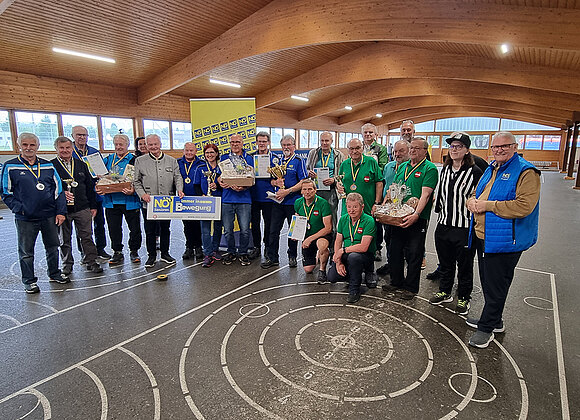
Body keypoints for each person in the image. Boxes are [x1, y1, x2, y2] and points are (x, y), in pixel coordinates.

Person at [465, 131, 540, 348]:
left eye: (504, 146)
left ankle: (486, 328)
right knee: (489, 282)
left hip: (505, 239)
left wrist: (487, 206)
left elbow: (524, 206)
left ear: (515, 147)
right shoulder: (492, 168)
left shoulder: (526, 172)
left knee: (496, 285)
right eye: (496, 147)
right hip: (484, 235)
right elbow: (478, 192)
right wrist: (471, 201)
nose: (499, 150)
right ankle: (494, 320)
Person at [1, 133, 69, 293]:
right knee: (26, 252)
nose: (28, 148)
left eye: (32, 145)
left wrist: (60, 212)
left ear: (37, 146)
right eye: (25, 145)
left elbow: (59, 190)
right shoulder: (10, 166)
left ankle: (54, 273)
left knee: (53, 247)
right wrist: (20, 209)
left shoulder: (47, 166)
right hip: (25, 218)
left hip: (49, 215)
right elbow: (5, 192)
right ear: (19, 146)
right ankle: (29, 281)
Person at [429, 133, 482, 315]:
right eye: (452, 146)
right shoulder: (445, 169)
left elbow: (479, 197)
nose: (454, 149)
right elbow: (441, 194)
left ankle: (464, 297)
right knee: (445, 262)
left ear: (467, 150)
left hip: (464, 227)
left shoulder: (475, 172)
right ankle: (445, 291)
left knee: (465, 265)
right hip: (444, 224)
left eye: (459, 146)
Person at [382, 137, 438, 300]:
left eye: (417, 148)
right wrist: (384, 208)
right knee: (395, 250)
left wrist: (416, 215)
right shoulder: (403, 166)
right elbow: (393, 189)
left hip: (416, 218)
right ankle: (396, 281)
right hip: (398, 216)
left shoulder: (430, 168)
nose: (413, 150)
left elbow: (426, 195)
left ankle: (411, 287)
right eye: (412, 147)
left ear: (425, 151)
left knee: (414, 253)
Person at [52, 136, 103, 275]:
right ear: (56, 149)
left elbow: (89, 186)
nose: (65, 150)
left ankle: (91, 261)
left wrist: (93, 206)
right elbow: (49, 188)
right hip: (62, 210)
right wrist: (61, 194)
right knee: (64, 239)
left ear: (72, 148)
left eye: (68, 147)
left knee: (87, 236)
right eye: (61, 148)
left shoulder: (81, 165)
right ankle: (67, 264)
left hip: (82, 207)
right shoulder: (51, 166)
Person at [336, 138, 383, 288]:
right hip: (349, 208)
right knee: (350, 236)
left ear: (362, 148)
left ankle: (370, 270)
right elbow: (340, 182)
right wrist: (339, 186)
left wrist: (377, 203)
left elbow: (379, 182)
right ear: (347, 150)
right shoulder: (344, 164)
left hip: (367, 207)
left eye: (357, 148)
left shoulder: (371, 162)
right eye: (351, 148)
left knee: (369, 239)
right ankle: (350, 267)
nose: (354, 151)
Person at [134, 134, 184, 268]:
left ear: (160, 144)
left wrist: (180, 190)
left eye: (155, 144)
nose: (153, 147)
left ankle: (165, 254)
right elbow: (136, 181)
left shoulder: (171, 161)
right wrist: (142, 194)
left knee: (165, 229)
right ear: (146, 146)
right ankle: (151, 256)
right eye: (150, 145)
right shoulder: (140, 161)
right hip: (149, 203)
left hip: (166, 203)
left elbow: (178, 177)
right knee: (150, 230)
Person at [261, 134, 308, 269]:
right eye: (284, 145)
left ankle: (292, 256)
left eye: (288, 145)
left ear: (294, 146)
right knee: (273, 230)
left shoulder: (299, 161)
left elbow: (303, 181)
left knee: (293, 231)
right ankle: (272, 257)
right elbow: (270, 180)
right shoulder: (277, 161)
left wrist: (287, 191)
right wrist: (276, 183)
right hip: (278, 202)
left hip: (293, 202)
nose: (286, 147)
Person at [99, 134, 142, 265]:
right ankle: (117, 251)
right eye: (116, 144)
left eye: (121, 144)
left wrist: (133, 191)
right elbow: (99, 177)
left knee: (134, 229)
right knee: (114, 228)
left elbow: (140, 179)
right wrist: (99, 187)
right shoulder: (108, 160)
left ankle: (134, 250)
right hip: (111, 201)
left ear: (127, 145)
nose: (118, 147)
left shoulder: (135, 160)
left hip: (130, 201)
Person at [328, 193, 376, 303]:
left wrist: (342, 250)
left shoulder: (369, 220)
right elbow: (338, 241)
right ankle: (353, 273)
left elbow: (363, 247)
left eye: (355, 207)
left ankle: (354, 289)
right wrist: (338, 262)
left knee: (354, 257)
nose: (352, 210)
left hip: (364, 255)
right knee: (332, 277)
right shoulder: (343, 219)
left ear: (362, 207)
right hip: (348, 253)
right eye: (349, 207)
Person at [71, 125, 109, 259]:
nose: (82, 137)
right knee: (82, 226)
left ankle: (101, 249)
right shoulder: (70, 152)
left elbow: (103, 172)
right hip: (79, 194)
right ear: (73, 136)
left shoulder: (94, 152)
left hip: (95, 192)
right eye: (79, 135)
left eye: (84, 135)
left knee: (100, 223)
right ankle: (84, 252)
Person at [218, 134, 254, 266]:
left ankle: (243, 252)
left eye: (237, 142)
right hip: (227, 199)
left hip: (244, 199)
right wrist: (220, 181)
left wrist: (243, 187)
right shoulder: (224, 158)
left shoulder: (249, 158)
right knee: (228, 230)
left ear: (242, 143)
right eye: (232, 142)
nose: (235, 144)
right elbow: (219, 176)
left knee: (244, 229)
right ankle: (231, 252)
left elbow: (252, 178)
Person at [376, 140, 410, 276]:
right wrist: (381, 204)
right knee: (389, 238)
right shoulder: (388, 166)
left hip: (404, 211)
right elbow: (385, 186)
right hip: (389, 210)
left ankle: (400, 267)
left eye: (401, 151)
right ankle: (391, 264)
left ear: (409, 151)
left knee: (404, 242)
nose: (397, 154)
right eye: (395, 151)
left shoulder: (411, 168)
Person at [306, 131, 344, 242]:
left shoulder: (338, 155)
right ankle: (315, 242)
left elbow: (342, 174)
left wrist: (334, 180)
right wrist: (309, 173)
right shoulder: (313, 153)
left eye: (327, 140)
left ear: (332, 141)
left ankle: (332, 245)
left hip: (330, 191)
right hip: (316, 190)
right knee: (315, 217)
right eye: (322, 140)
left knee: (331, 218)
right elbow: (307, 168)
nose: (324, 143)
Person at [293, 179, 332, 283]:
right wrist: (295, 234)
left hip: (322, 235)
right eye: (304, 189)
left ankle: (322, 270)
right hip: (307, 237)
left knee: (322, 246)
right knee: (308, 269)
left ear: (315, 190)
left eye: (310, 189)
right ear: (301, 191)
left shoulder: (323, 203)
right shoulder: (298, 203)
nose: (307, 192)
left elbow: (328, 228)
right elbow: (297, 221)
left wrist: (310, 239)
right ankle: (317, 257)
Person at [361, 123, 388, 262]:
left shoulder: (380, 149)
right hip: (361, 186)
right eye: (365, 132)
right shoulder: (359, 147)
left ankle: (377, 247)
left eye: (370, 132)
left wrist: (369, 169)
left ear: (375, 134)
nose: (368, 134)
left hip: (375, 186)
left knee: (375, 218)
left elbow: (382, 167)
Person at [193, 143, 223, 267]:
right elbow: (196, 185)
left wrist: (218, 186)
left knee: (218, 227)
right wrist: (202, 195)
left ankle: (215, 249)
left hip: (219, 200)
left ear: (216, 153)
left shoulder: (222, 167)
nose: (209, 155)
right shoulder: (200, 168)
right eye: (207, 153)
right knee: (205, 229)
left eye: (212, 152)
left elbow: (226, 183)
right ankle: (207, 253)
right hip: (205, 202)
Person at [249, 131, 275, 260]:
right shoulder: (250, 157)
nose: (262, 144)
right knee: (255, 223)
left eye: (264, 141)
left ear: (268, 142)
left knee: (268, 224)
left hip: (268, 197)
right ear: (256, 142)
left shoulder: (274, 158)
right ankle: (256, 247)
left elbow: (278, 176)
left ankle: (268, 247)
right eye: (259, 141)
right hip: (253, 196)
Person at [178, 142, 205, 260]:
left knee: (197, 224)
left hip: (197, 198)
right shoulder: (178, 163)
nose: (189, 153)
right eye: (187, 150)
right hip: (183, 198)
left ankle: (198, 247)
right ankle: (189, 247)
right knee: (187, 225)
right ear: (183, 151)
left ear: (196, 151)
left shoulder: (202, 163)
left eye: (191, 150)